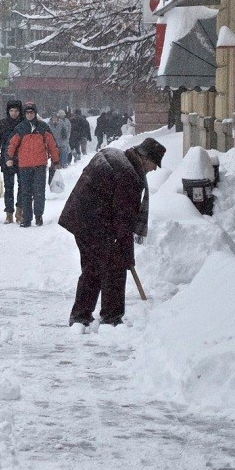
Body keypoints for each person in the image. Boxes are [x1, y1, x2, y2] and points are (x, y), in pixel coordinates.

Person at [58, 137, 166, 327]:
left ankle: (81, 315)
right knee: (115, 267)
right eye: (154, 163)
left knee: (93, 267)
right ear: (144, 158)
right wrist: (126, 253)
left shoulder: (114, 154)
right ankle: (111, 317)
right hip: (93, 223)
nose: (155, 169)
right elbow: (124, 218)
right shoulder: (128, 176)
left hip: (80, 217)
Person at [6, 101, 59, 227]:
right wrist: (9, 157)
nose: (29, 115)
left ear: (35, 113)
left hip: (40, 165)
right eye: (27, 112)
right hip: (24, 166)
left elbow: (52, 144)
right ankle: (27, 218)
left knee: (39, 192)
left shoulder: (43, 127)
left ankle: (38, 215)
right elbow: (12, 144)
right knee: (26, 193)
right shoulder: (20, 128)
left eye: (32, 112)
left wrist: (56, 161)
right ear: (24, 114)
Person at [0, 99, 24, 224]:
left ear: (20, 111)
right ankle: (9, 213)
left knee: (23, 186)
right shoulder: (2, 124)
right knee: (9, 187)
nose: (14, 113)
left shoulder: (24, 124)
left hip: (22, 159)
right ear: (8, 111)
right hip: (6, 158)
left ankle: (19, 211)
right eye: (11, 111)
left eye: (16, 111)